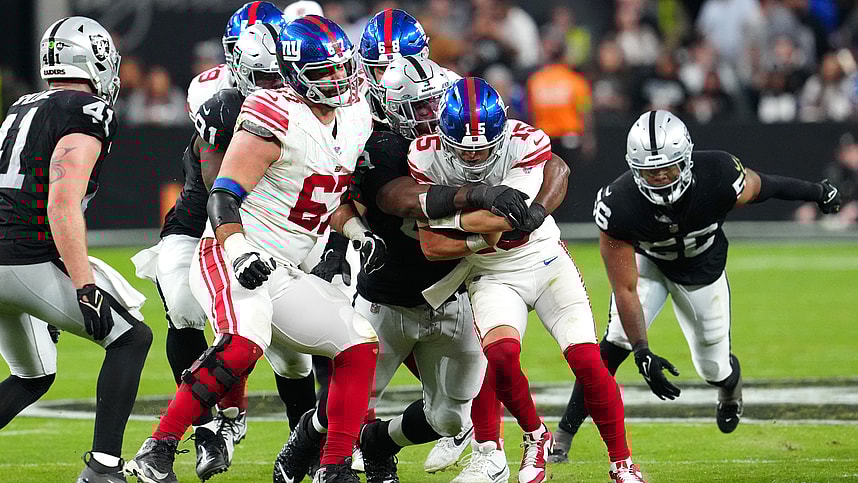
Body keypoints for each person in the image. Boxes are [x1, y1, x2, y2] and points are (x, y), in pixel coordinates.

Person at [125, 15, 380, 483]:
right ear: (297, 73)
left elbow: (333, 193)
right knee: (244, 342)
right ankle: (157, 448)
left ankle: (334, 465)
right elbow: (223, 194)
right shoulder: (273, 110)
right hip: (233, 251)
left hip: (289, 264)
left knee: (359, 342)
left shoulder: (358, 113)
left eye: (344, 68)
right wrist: (240, 251)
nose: (340, 80)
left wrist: (360, 234)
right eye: (326, 71)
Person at [549, 109, 842, 463]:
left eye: (668, 168)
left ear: (686, 158)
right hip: (651, 265)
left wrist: (816, 192)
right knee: (615, 342)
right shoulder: (619, 203)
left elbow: (764, 186)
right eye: (649, 172)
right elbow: (625, 289)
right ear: (633, 169)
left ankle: (730, 390)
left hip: (703, 270)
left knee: (713, 368)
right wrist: (642, 351)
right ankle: (564, 434)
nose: (660, 179)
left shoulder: (718, 174)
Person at [411, 78, 645, 483]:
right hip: (489, 272)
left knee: (588, 361)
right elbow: (433, 244)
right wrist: (480, 206)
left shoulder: (524, 142)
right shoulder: (425, 155)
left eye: (485, 147)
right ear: (445, 138)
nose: (477, 156)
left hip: (544, 259)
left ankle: (622, 462)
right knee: (499, 358)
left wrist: (447, 213)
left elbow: (506, 220)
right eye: (466, 150)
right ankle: (535, 435)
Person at [0, 17, 153, 483]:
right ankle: (104, 467)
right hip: (22, 253)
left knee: (34, 375)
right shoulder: (86, 109)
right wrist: (83, 285)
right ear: (95, 58)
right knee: (130, 337)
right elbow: (62, 204)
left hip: (9, 250)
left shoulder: (21, 106)